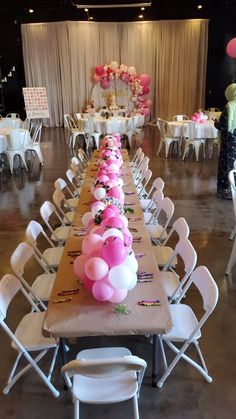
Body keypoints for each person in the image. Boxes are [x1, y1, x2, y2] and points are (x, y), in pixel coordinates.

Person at [215, 83, 236, 199]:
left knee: (227, 163)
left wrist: (215, 123)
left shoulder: (229, 106)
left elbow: (223, 125)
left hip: (230, 141)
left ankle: (225, 190)